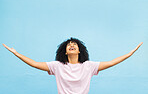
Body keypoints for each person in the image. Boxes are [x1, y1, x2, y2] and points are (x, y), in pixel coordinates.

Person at [2, 37, 143, 94]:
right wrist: (17, 53)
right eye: (69, 45)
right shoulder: (57, 66)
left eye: (74, 44)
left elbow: (112, 62)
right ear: (65, 51)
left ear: (79, 50)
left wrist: (129, 54)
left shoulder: (89, 66)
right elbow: (34, 64)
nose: (72, 45)